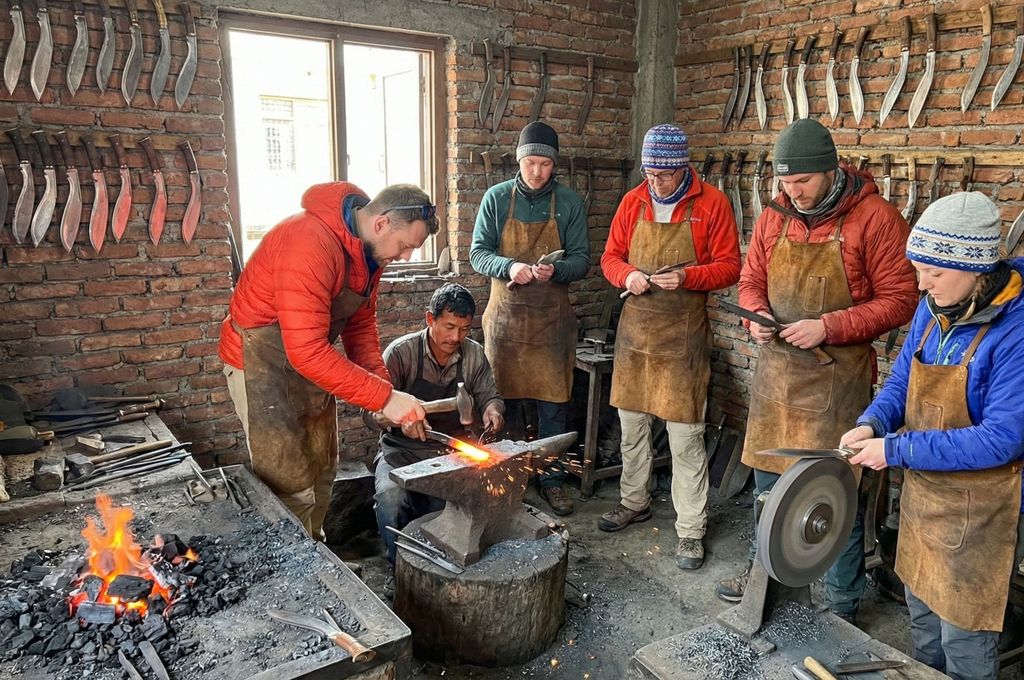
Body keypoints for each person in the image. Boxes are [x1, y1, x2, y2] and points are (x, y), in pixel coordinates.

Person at [716, 119, 919, 616]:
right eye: (785, 183)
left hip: (837, 383)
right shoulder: (774, 215)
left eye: (802, 182)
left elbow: (901, 301)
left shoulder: (875, 218)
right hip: (775, 380)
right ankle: (762, 577)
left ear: (829, 170)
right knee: (768, 493)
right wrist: (756, 315)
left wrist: (828, 326)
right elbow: (750, 280)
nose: (793, 193)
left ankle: (842, 602)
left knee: (835, 501)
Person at [841, 192, 1024, 680]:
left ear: (976, 268)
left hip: (983, 509)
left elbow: (1001, 438)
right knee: (922, 615)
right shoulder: (934, 307)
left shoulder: (1016, 331)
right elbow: (903, 381)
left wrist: (895, 449)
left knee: (963, 635)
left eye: (934, 272)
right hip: (925, 493)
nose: (921, 285)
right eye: (918, 269)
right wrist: (872, 423)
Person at [219, 182, 439, 540]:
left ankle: (321, 560)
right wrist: (383, 398)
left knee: (323, 470)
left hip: (308, 361)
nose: (406, 257)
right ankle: (299, 577)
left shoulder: (368, 255)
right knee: (290, 483)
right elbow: (305, 350)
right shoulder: (310, 242)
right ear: (381, 224)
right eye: (406, 246)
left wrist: (384, 392)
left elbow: (361, 328)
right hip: (263, 365)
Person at [599, 123, 741, 570]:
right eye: (649, 172)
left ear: (683, 168)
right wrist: (626, 276)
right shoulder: (633, 200)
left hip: (682, 337)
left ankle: (690, 530)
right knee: (632, 428)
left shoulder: (712, 204)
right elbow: (609, 258)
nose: (654, 182)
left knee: (685, 438)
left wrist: (687, 277)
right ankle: (634, 501)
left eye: (663, 174)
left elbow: (729, 267)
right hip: (636, 334)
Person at [470, 121, 590, 517]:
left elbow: (582, 261)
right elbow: (477, 254)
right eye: (530, 162)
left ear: (554, 165)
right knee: (505, 403)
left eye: (544, 164)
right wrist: (508, 266)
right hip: (505, 323)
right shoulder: (496, 198)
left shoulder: (569, 203)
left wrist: (557, 271)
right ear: (519, 161)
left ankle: (551, 477)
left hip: (551, 325)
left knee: (553, 405)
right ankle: (509, 479)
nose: (537, 171)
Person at [371, 283, 505, 565]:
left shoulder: (473, 354)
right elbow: (369, 413)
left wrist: (493, 411)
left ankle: (446, 573)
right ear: (430, 318)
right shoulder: (401, 354)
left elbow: (490, 395)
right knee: (390, 501)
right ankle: (400, 572)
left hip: (452, 453)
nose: (456, 336)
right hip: (401, 450)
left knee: (457, 508)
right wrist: (400, 418)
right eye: (449, 326)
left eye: (465, 329)